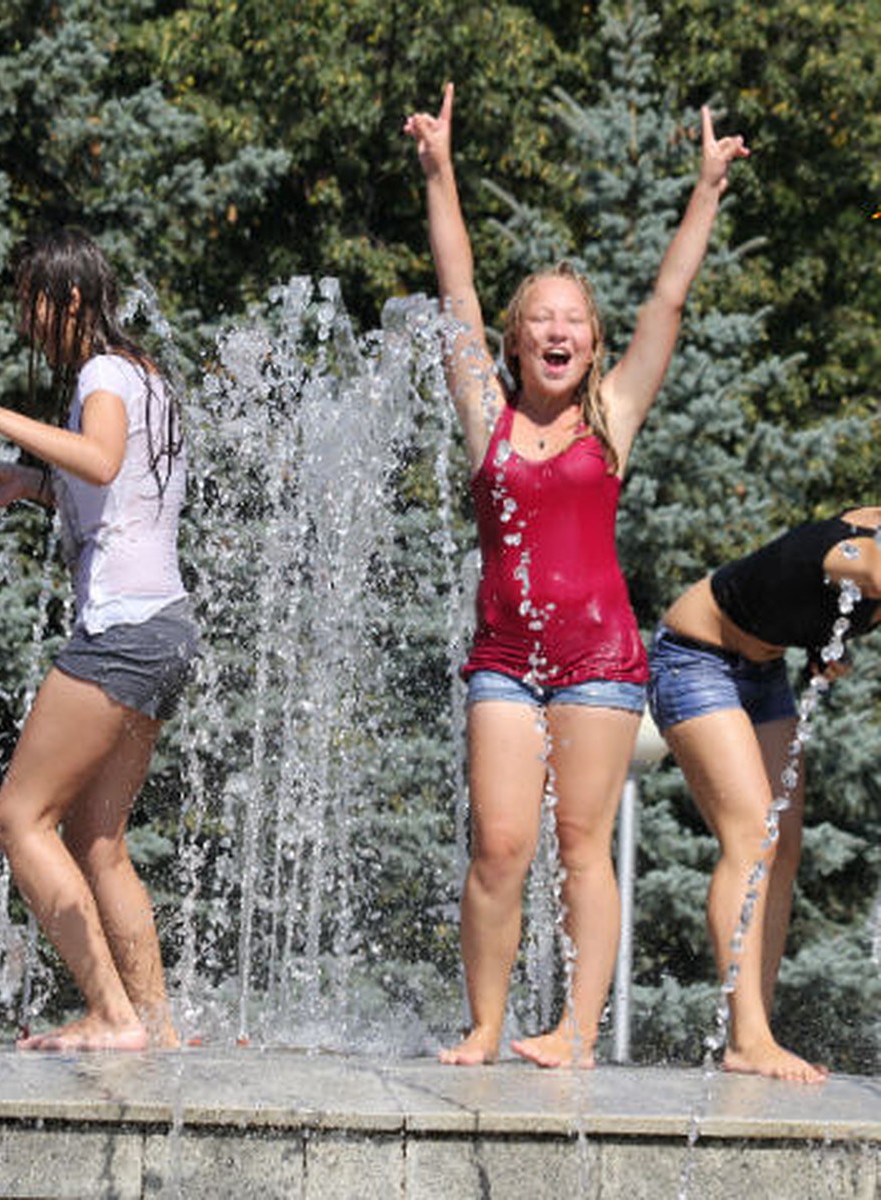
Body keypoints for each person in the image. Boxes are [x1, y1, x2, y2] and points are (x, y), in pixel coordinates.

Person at [404, 85, 748, 1067]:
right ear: (516, 341)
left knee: (582, 850)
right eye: (541, 321)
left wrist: (706, 190)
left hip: (600, 660)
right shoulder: (489, 416)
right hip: (504, 658)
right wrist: (439, 174)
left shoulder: (614, 416)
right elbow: (456, 291)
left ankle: (573, 1034)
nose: (559, 332)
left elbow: (669, 300)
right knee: (502, 845)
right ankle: (482, 1027)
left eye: (577, 323)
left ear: (594, 344)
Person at [0, 228, 197, 1052]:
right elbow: (117, 496)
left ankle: (113, 1016)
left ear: (70, 300)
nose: (27, 321)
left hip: (120, 630)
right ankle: (153, 1023)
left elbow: (103, 456)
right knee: (97, 837)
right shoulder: (145, 372)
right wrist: (31, 485)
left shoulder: (101, 374)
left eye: (33, 303)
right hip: (165, 624)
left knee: (19, 817)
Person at [648, 508, 881, 1083]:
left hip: (764, 674)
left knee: (783, 849)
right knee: (752, 838)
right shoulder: (855, 547)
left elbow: (800, 602)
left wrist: (830, 653)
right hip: (693, 659)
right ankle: (749, 1039)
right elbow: (860, 571)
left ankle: (754, 1034)